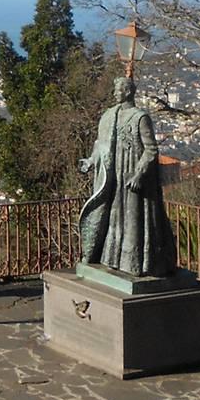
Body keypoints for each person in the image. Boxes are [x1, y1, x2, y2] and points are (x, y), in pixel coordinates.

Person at [77, 76, 177, 277]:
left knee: (133, 221)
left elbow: (151, 150)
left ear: (128, 91)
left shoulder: (140, 118)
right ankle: (112, 259)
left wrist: (139, 174)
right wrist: (91, 160)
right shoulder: (109, 116)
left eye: (119, 90)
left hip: (132, 177)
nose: (115, 93)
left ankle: (135, 263)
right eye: (115, 89)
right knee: (114, 219)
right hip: (114, 177)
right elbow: (101, 145)